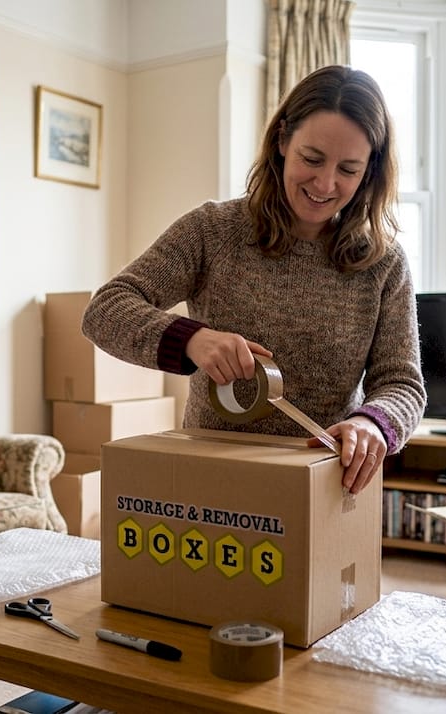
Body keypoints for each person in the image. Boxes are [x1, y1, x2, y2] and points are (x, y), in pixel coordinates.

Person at [81, 65, 425, 495]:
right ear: (282, 141)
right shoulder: (213, 231)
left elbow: (402, 384)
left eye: (349, 169)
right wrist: (193, 340)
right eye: (312, 159)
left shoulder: (383, 262)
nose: (325, 183)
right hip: (214, 474)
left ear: (370, 171)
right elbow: (105, 310)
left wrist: (372, 424)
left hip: (325, 485)